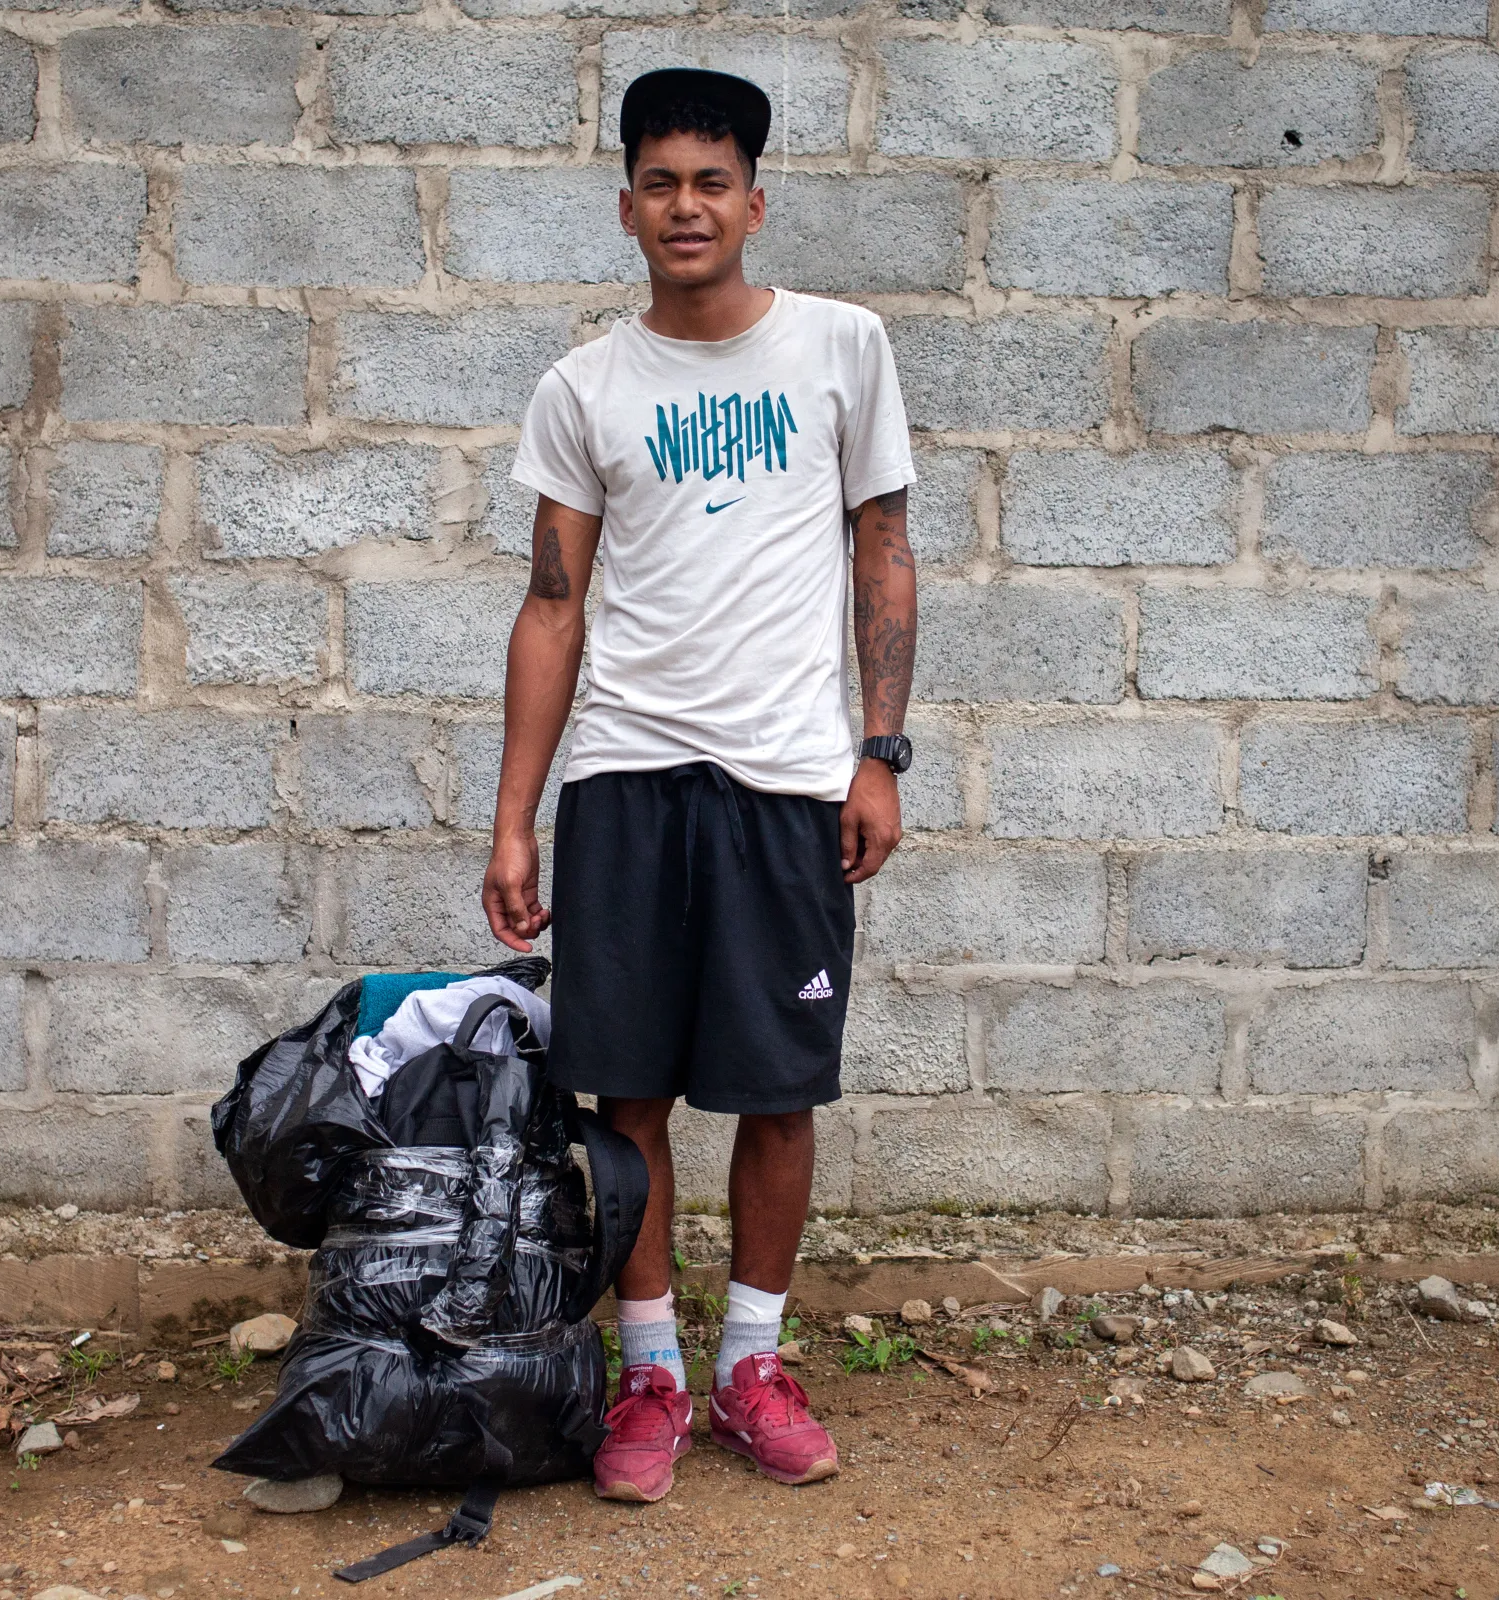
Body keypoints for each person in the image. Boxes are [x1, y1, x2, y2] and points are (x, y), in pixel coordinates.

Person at [480, 66, 919, 1504]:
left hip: (788, 782)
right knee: (631, 1102)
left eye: (712, 180)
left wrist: (880, 751)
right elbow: (552, 607)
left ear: (755, 201)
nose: (687, 205)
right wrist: (515, 819)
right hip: (627, 780)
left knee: (779, 1095)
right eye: (661, 182)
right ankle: (653, 1376)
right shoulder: (586, 385)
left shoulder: (844, 349)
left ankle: (753, 1365)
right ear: (627, 206)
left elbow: (884, 556)